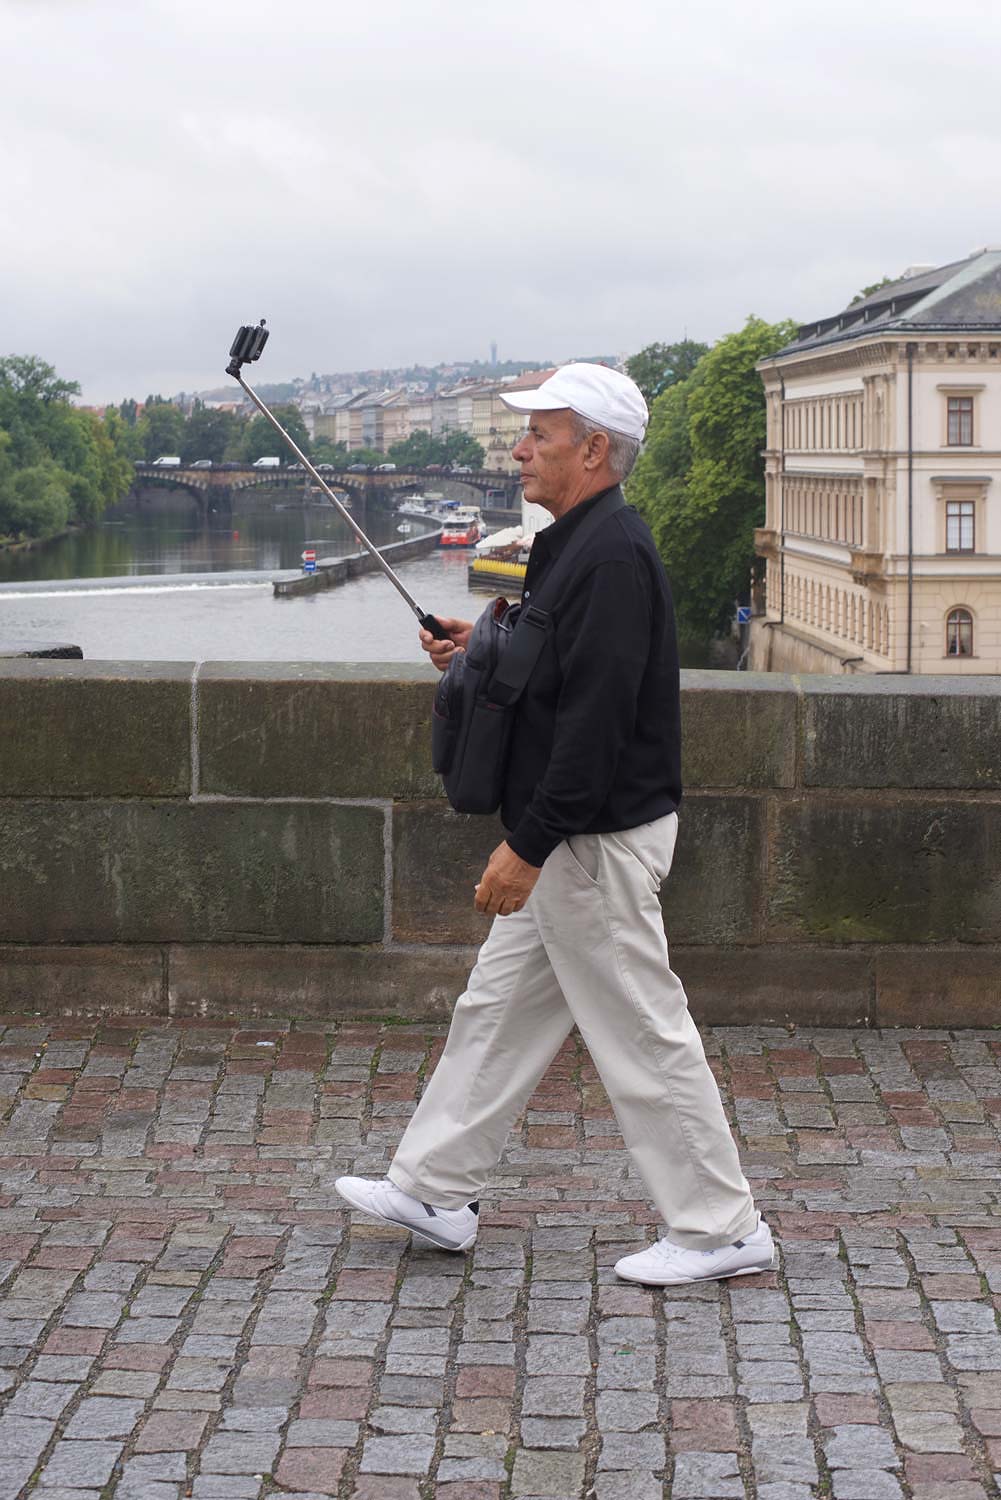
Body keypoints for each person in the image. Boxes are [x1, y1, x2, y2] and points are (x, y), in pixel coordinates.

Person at [336, 364, 772, 1286]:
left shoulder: (610, 552)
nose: (520, 448)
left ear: (595, 449)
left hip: (588, 840)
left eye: (540, 433)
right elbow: (557, 669)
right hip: (573, 835)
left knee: (643, 1032)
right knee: (494, 1013)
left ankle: (720, 1227)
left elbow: (598, 723)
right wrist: (475, 647)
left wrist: (526, 847)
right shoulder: (573, 540)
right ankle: (432, 1190)